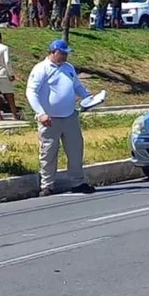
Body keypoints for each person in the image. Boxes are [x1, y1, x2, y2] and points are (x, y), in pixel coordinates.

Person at [26, 39, 95, 196]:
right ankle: (47, 185)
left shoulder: (68, 68)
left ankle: (78, 182)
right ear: (53, 52)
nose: (65, 56)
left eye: (66, 54)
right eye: (62, 53)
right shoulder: (41, 69)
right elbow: (31, 92)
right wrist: (41, 113)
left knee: (75, 150)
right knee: (48, 152)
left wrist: (87, 97)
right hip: (49, 119)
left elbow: (76, 86)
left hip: (70, 116)